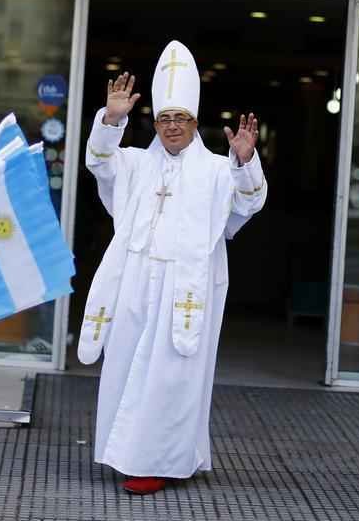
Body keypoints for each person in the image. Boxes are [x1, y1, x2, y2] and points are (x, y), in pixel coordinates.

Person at [76, 40, 267, 495]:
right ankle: (126, 454)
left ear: (195, 123)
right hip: (136, 281)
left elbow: (249, 202)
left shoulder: (219, 170)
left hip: (187, 287)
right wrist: (112, 120)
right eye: (165, 118)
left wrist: (244, 159)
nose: (172, 127)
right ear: (155, 122)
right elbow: (98, 162)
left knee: (171, 374)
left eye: (180, 119)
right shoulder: (136, 163)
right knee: (126, 365)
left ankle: (160, 460)